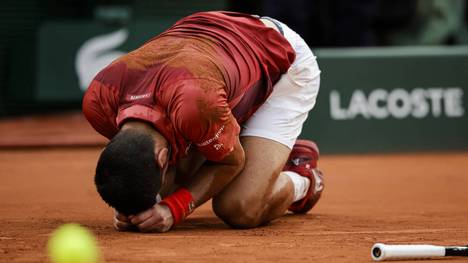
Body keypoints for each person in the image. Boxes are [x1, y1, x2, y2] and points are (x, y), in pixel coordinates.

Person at [82, 11, 324, 233]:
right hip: (210, 58)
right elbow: (135, 164)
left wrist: (173, 208)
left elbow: (231, 161)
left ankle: (303, 178)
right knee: (166, 185)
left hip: (280, 60)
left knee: (240, 207)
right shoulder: (98, 102)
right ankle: (245, 143)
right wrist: (130, 207)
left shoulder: (194, 104)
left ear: (162, 157)